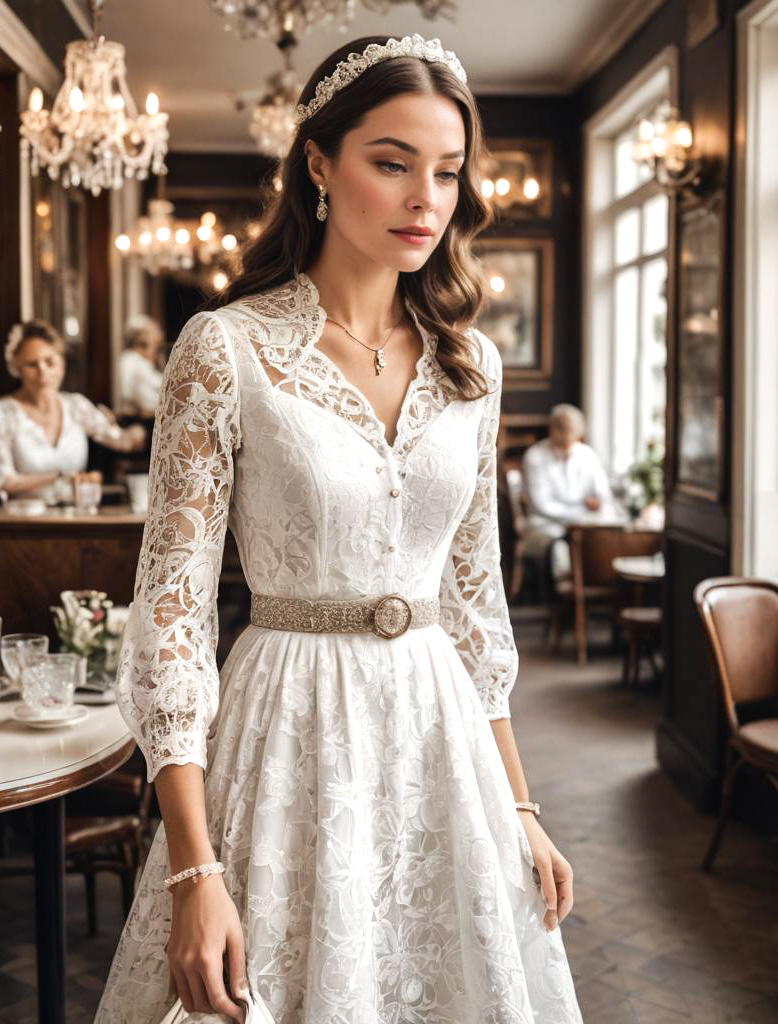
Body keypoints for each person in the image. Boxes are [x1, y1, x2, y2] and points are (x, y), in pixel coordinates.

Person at [96, 34, 582, 1024]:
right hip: (288, 728)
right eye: (391, 162)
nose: (424, 199)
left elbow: (475, 608)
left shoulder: (470, 366)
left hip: (443, 738)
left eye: (446, 172)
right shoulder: (225, 349)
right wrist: (195, 872)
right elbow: (172, 621)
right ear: (318, 163)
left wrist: (520, 807)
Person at [0, 320, 147, 501]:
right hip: (22, 521)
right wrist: (60, 476)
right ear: (16, 368)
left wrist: (137, 433)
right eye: (32, 364)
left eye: (49, 362)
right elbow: (2, 482)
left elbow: (122, 441)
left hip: (77, 518)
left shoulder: (77, 406)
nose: (42, 371)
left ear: (62, 364)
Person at [522, 403, 612, 581]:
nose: (564, 435)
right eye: (560, 429)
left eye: (570, 430)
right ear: (551, 429)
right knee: (561, 546)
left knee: (604, 541)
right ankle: (565, 593)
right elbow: (542, 505)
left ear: (580, 432)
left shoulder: (588, 455)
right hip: (546, 524)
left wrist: (598, 503)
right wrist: (579, 513)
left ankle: (596, 587)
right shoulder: (535, 456)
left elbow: (603, 495)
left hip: (586, 524)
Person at [117, 314, 166, 417]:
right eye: (152, 331)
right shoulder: (129, 359)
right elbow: (127, 395)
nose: (159, 334)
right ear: (140, 336)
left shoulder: (152, 360)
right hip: (143, 420)